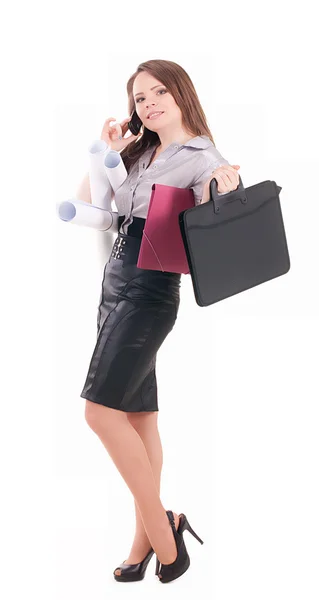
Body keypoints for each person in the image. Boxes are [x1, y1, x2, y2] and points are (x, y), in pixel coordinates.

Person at [79, 59, 240, 584]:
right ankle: (144, 538)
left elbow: (216, 208)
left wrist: (225, 184)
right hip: (113, 285)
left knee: (99, 414)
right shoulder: (142, 151)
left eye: (157, 92)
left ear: (181, 93)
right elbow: (87, 203)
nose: (148, 104)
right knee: (139, 417)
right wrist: (107, 148)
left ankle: (165, 534)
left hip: (149, 292)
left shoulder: (203, 157)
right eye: (139, 99)